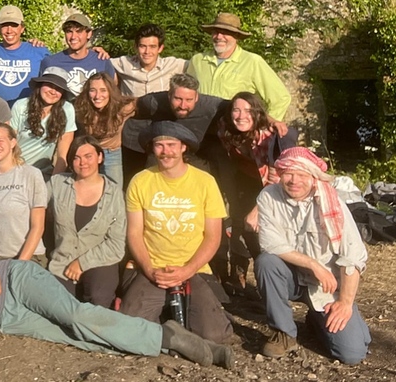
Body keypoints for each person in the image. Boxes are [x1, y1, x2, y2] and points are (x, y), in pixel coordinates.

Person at [0, 194, 234, 369]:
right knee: (78, 339)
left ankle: (178, 340)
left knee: (78, 316)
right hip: (3, 320)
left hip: (15, 280)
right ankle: (166, 342)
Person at [256, 147, 370, 364]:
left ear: (313, 177)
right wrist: (312, 264)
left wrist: (345, 303)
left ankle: (319, 320)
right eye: (288, 173)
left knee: (352, 354)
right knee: (267, 262)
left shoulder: (332, 202)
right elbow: (270, 244)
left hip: (327, 286)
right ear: (280, 174)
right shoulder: (268, 196)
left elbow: (353, 257)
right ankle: (284, 334)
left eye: (302, 174)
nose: (293, 180)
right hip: (293, 278)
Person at [120, 122, 232, 344]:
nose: (165, 151)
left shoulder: (205, 182)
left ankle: (194, 318)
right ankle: (168, 319)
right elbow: (134, 233)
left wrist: (187, 270)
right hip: (153, 267)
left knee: (215, 336)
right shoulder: (140, 181)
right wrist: (150, 270)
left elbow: (213, 236)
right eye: (159, 145)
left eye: (171, 145)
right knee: (130, 331)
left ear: (183, 148)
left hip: (194, 268)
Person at [218, 92, 298, 296]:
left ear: (257, 113)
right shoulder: (225, 127)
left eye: (248, 111)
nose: (241, 115)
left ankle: (276, 283)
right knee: (238, 226)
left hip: (272, 188)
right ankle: (239, 279)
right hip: (245, 180)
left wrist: (256, 210)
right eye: (236, 110)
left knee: (259, 230)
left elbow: (275, 179)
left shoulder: (271, 138)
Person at [48, 135, 127, 308]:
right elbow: (32, 208)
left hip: (100, 262)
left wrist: (81, 263)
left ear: (100, 157)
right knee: (59, 307)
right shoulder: (57, 184)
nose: (82, 162)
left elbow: (116, 244)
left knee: (97, 299)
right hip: (62, 263)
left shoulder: (115, 194)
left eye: (88, 156)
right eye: (76, 158)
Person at [187, 12, 291, 120]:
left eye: (225, 32)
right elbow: (186, 94)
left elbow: (281, 98)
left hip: (233, 131)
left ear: (236, 36)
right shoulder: (197, 60)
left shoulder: (252, 62)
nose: (219, 36)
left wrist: (266, 125)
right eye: (216, 31)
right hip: (201, 129)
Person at [0, 123, 47, 263]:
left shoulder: (31, 174)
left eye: (0, 140)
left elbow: (38, 226)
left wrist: (20, 264)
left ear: (13, 142)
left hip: (28, 257)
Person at [10, 67, 76, 177]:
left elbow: (62, 154)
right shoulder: (20, 106)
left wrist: (54, 183)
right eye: (49, 85)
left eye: (58, 88)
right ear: (39, 86)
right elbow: (9, 144)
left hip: (44, 173)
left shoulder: (67, 109)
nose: (53, 91)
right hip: (15, 169)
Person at [74, 72, 135, 185]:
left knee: (114, 189)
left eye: (103, 90)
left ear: (110, 92)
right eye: (93, 90)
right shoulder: (80, 108)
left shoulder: (122, 108)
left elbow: (148, 101)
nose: (97, 96)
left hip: (112, 153)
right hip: (88, 153)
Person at [40, 13, 116, 97]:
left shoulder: (101, 60)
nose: (73, 36)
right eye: (69, 31)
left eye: (78, 31)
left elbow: (113, 89)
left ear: (89, 34)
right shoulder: (50, 62)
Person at [110, 23, 187, 98]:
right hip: (133, 110)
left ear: (160, 48)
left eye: (152, 47)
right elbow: (101, 62)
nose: (147, 51)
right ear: (136, 47)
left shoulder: (172, 65)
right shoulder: (125, 64)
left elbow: (197, 63)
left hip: (162, 111)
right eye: (143, 46)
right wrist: (98, 51)